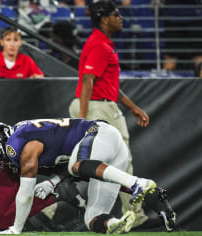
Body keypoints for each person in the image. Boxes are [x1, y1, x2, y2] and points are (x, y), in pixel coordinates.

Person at [0, 119, 158, 234]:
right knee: (92, 217)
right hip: (106, 149)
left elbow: (25, 194)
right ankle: (115, 224)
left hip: (99, 132)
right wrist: (52, 181)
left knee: (76, 166)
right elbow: (69, 163)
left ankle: (138, 183)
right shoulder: (23, 137)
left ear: (3, 146)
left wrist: (15, 229)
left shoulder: (19, 146)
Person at [68, 0, 151, 229]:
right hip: (97, 108)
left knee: (82, 165)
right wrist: (83, 119)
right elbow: (87, 80)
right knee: (121, 162)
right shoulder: (99, 45)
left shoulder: (102, 43)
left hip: (101, 104)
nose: (120, 18)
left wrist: (133, 107)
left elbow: (107, 84)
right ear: (105, 19)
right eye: (116, 14)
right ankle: (135, 216)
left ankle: (49, 209)